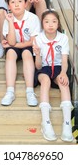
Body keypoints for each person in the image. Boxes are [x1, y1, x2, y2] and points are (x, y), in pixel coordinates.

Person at [33, 10, 74, 142]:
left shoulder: (63, 38)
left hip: (58, 67)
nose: (50, 24)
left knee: (63, 82)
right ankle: (46, 122)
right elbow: (38, 66)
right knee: (45, 81)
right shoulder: (38, 39)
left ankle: (67, 124)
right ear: (42, 24)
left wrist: (63, 73)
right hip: (44, 67)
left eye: (54, 21)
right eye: (46, 22)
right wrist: (38, 54)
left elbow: (64, 60)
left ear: (58, 24)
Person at [1, 0, 41, 107]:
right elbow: (12, 41)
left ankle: (30, 91)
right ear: (8, 5)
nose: (17, 4)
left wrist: (13, 45)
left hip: (28, 46)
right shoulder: (7, 20)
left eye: (20, 1)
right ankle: (10, 91)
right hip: (15, 46)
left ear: (26, 3)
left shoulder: (33, 18)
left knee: (27, 54)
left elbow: (32, 42)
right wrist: (10, 22)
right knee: (10, 54)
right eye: (13, 2)